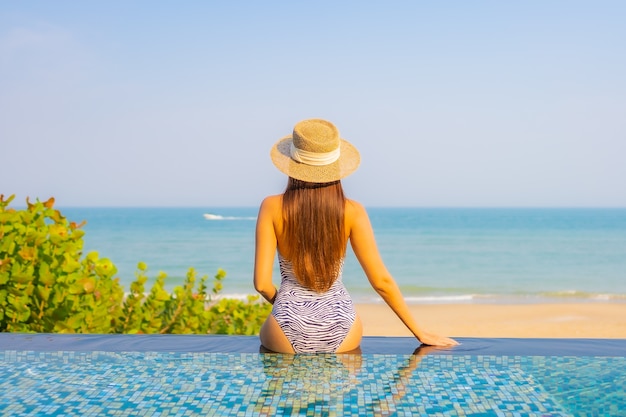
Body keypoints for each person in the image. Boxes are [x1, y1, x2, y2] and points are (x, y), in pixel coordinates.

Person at [254, 118, 458, 353]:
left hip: (286, 325)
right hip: (342, 325)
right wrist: (419, 332)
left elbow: (261, 284)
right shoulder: (352, 211)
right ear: (336, 167)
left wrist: (292, 309)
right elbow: (381, 282)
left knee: (278, 384)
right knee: (339, 384)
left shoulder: (271, 207)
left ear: (292, 163)